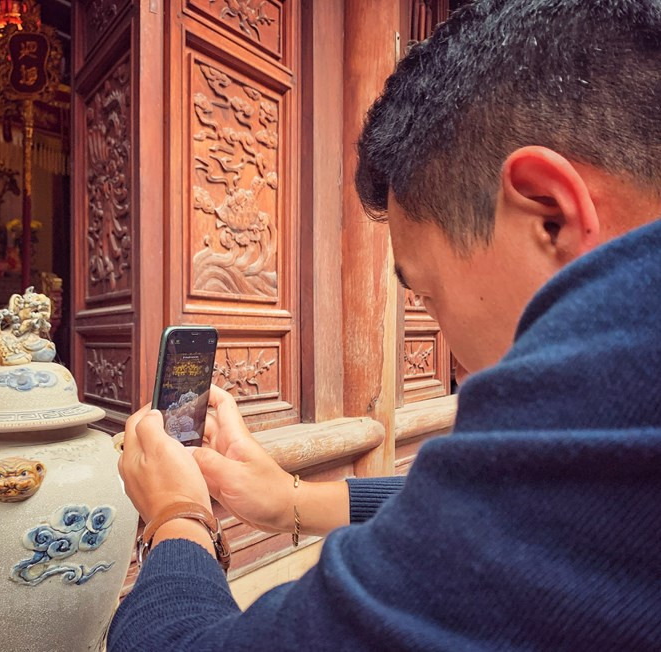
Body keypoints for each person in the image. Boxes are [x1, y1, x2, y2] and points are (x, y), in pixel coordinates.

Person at [110, 0, 661, 648]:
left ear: (551, 216)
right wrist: (286, 498)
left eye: (426, 293)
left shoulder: (603, 401)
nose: (451, 356)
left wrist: (177, 515)